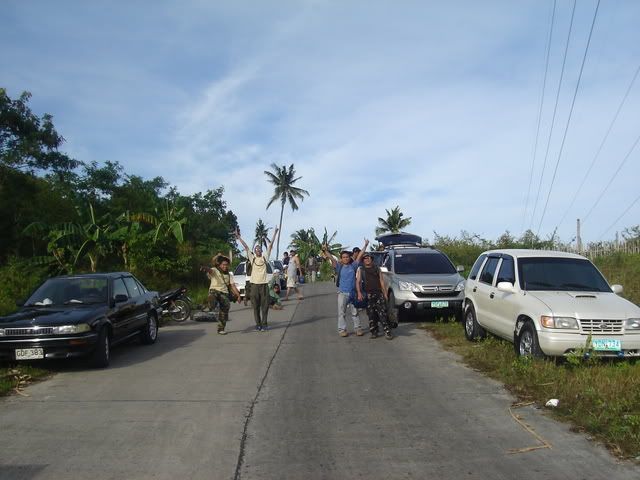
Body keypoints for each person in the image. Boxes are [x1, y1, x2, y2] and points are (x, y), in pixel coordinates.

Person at [322, 239, 369, 337]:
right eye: (343, 257)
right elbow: (332, 259)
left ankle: (358, 329)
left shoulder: (354, 265)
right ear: (341, 259)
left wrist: (365, 245)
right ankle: (342, 330)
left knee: (355, 312)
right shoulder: (339, 266)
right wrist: (325, 251)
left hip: (353, 293)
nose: (346, 258)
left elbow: (360, 255)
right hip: (342, 293)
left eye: (347, 257)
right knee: (341, 313)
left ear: (349, 257)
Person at [236, 227, 279, 331]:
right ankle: (258, 324)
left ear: (262, 251)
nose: (258, 250)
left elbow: (271, 245)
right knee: (255, 307)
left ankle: (264, 324)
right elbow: (246, 247)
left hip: (264, 285)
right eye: (256, 249)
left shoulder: (265, 257)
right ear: (254, 251)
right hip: (254, 285)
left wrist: (275, 233)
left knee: (265, 306)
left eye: (259, 249)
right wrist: (238, 237)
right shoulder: (252, 258)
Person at [356, 252, 393, 340]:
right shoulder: (361, 270)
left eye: (369, 258)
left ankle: (387, 331)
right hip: (368, 295)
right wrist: (359, 293)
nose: (367, 260)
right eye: (365, 258)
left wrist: (385, 294)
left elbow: (381, 281)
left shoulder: (377, 268)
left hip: (378, 293)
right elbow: (358, 281)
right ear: (363, 260)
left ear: (371, 259)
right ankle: (374, 331)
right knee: (371, 314)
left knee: (382, 313)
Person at [201, 254, 241, 335]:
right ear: (219, 265)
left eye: (226, 265)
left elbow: (232, 286)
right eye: (223, 265)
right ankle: (209, 305)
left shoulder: (229, 275)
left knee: (225, 309)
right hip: (214, 291)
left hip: (224, 293)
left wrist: (238, 295)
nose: (225, 266)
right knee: (213, 296)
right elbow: (209, 270)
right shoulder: (215, 270)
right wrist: (204, 268)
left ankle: (221, 329)